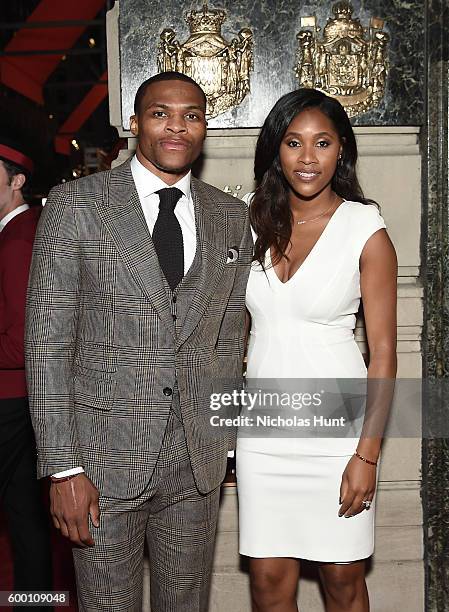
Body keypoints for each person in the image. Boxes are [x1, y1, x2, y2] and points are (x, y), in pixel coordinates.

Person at [25, 72, 252, 612]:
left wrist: (220, 443)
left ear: (205, 127)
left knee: (187, 604)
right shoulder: (76, 204)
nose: (177, 127)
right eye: (160, 113)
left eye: (191, 115)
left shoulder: (229, 215)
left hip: (194, 466)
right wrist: (62, 468)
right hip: (100, 462)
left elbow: (228, 339)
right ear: (134, 123)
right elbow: (47, 344)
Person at [236, 88, 397, 612]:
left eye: (322, 143)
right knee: (267, 584)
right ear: (275, 151)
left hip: (338, 437)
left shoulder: (365, 230)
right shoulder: (250, 222)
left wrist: (366, 455)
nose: (308, 158)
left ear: (342, 151)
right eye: (293, 142)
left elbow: (385, 352)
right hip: (263, 434)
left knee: (343, 581)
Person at [0, 138, 53, 608]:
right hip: (21, 400)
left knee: (24, 516)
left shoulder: (17, 238)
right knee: (24, 516)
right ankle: (34, 601)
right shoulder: (20, 230)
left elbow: (22, 342)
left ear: (17, 182)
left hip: (8, 401)